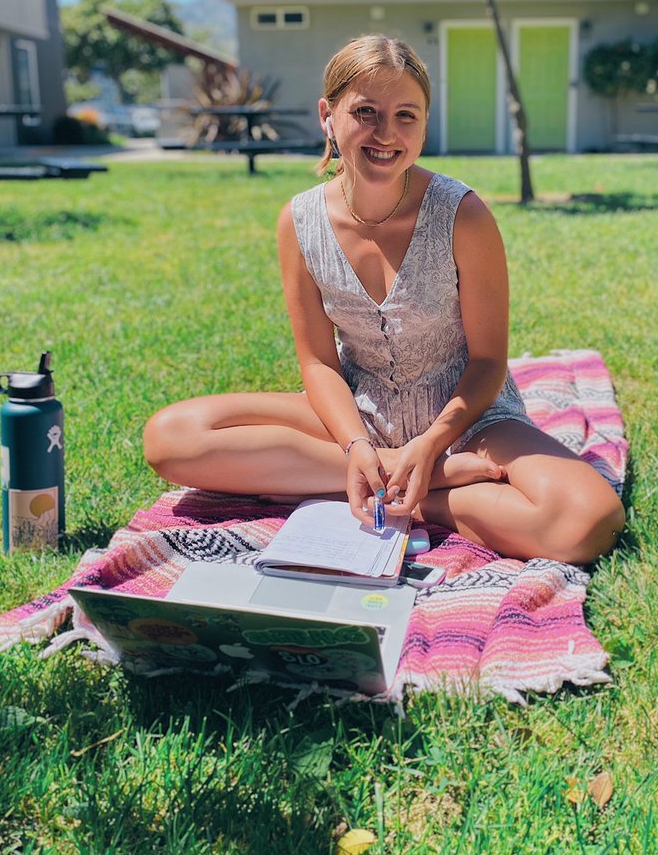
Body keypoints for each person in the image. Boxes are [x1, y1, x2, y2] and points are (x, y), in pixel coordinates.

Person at [144, 36, 625, 564]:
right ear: (328, 115)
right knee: (171, 437)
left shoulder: (463, 214)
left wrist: (434, 445)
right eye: (366, 112)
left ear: (423, 123)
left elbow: (489, 362)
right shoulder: (300, 222)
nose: (387, 134)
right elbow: (317, 362)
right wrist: (357, 447)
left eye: (406, 116)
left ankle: (414, 496)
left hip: (468, 421)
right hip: (361, 414)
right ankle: (394, 476)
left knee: (587, 520)